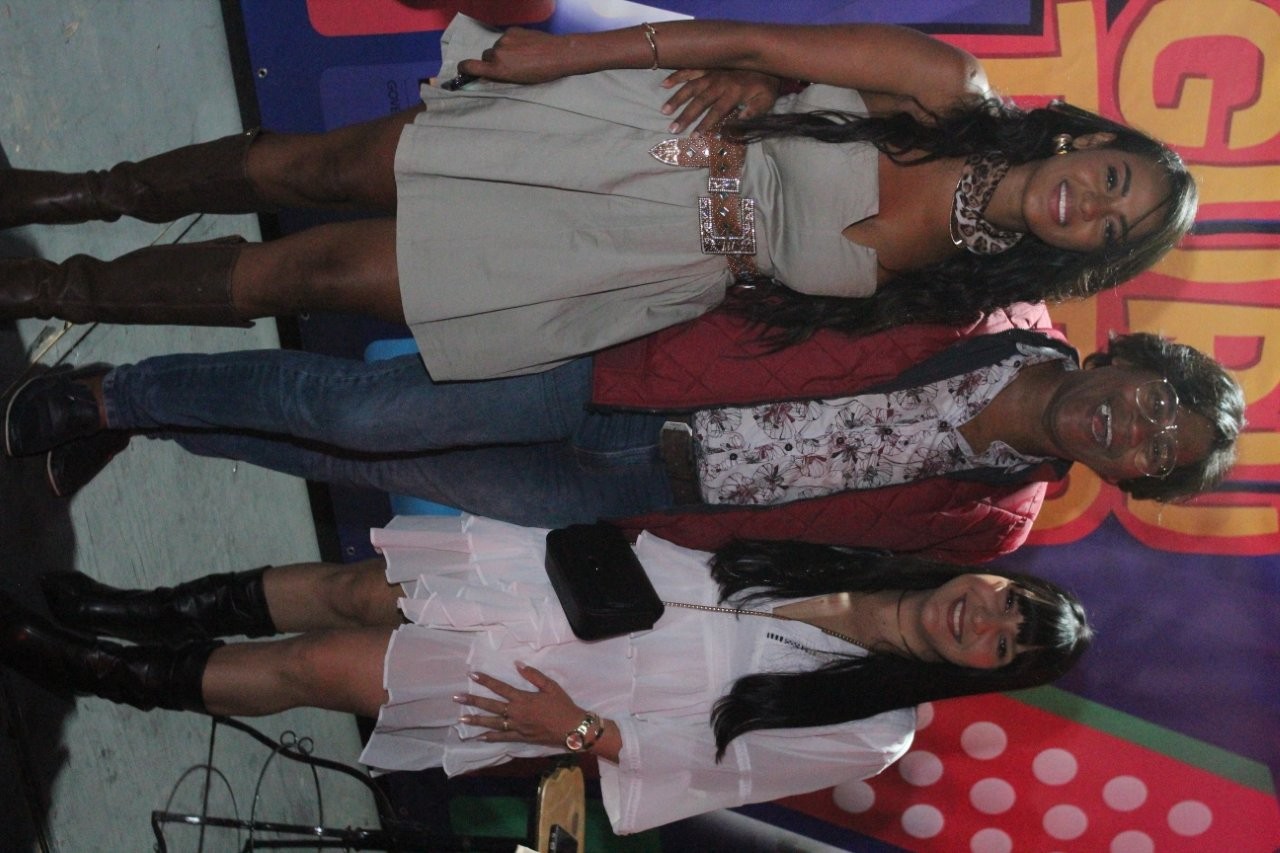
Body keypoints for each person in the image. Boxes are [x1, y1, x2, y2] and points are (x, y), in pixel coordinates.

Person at [1, 15, 1195, 378]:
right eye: (1110, 179)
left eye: (1109, 228)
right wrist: (562, 56)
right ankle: (66, 194)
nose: (1086, 207)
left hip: (629, 262)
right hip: (628, 139)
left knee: (312, 274)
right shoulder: (946, 88)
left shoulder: (962, 297)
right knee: (321, 168)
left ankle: (51, 293)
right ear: (1090, 140)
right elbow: (743, 41)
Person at [0, 513, 1093, 834]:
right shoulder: (867, 552)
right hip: (564, 585)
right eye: (1008, 603)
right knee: (349, 590)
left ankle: (103, 670)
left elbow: (709, 767)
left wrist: (571, 732)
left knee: (318, 667)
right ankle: (127, 608)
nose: (985, 620)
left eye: (1005, 644)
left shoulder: (877, 727)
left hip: (570, 690)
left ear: (985, 672)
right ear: (992, 578)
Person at [5, 309, 1245, 560]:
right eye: (1155, 400)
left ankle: (152, 420)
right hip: (627, 375)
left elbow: (832, 547)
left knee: (355, 463)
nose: (1134, 427)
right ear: (1128, 356)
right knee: (359, 409)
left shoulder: (999, 517)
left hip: (633, 491)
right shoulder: (991, 306)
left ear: (1128, 479)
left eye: (1156, 448)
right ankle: (110, 394)